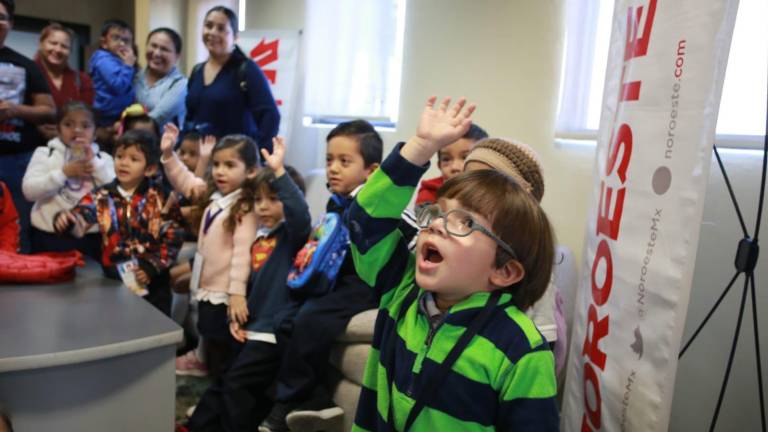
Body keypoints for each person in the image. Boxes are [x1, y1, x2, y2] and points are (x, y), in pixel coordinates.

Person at [347, 97, 559, 431]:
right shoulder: (401, 291)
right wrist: (420, 147)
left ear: (504, 270)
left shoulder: (521, 351)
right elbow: (365, 223)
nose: (435, 224)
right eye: (438, 212)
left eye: (464, 222)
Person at [258, 120, 422, 432]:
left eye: (344, 162)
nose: (333, 169)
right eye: (329, 160)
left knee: (312, 317)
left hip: (367, 283)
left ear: (372, 171)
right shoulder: (337, 200)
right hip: (340, 280)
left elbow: (414, 232)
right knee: (285, 317)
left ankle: (288, 400)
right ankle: (315, 393)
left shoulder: (378, 205)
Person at [187, 137, 312, 432]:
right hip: (248, 329)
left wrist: (279, 173)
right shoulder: (260, 238)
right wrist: (236, 316)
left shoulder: (292, 239)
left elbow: (300, 215)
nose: (264, 207)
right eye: (258, 200)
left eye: (273, 199)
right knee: (225, 383)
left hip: (269, 335)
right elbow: (248, 287)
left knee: (235, 386)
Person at [160, 123, 260, 378]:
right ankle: (213, 389)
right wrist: (169, 154)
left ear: (250, 171)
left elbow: (241, 255)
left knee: (221, 351)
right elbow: (185, 181)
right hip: (205, 287)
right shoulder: (215, 196)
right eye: (216, 165)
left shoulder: (244, 208)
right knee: (207, 338)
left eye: (229, 165)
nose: (220, 172)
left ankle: (219, 398)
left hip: (223, 294)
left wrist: (237, 294)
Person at [53, 129, 185, 315]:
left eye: (134, 159)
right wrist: (66, 221)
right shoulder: (102, 195)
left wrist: (151, 266)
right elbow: (80, 219)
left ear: (150, 169)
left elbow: (174, 235)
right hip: (113, 277)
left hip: (153, 279)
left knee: (154, 327)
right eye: (120, 156)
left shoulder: (161, 197)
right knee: (116, 326)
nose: (124, 163)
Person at [22, 101, 114, 260]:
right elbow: (29, 192)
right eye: (68, 124)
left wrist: (95, 165)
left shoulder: (104, 159)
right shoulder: (45, 153)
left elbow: (116, 193)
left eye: (85, 126)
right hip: (49, 236)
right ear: (58, 129)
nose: (77, 130)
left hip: (93, 237)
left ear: (95, 133)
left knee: (93, 283)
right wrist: (63, 173)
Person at [0, 0, 57, 253]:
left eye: (2, 17)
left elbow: (49, 110)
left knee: (18, 228)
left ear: (10, 24)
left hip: (16, 160)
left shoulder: (26, 65)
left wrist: (13, 110)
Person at [185, 6, 279, 155]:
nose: (213, 32)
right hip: (200, 159)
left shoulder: (247, 69)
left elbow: (270, 116)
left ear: (235, 36)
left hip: (234, 162)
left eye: (221, 29)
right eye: (208, 26)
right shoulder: (197, 71)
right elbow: (190, 116)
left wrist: (258, 157)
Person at [34, 22, 95, 142]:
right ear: (41, 44)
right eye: (53, 43)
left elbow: (88, 117)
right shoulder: (27, 72)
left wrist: (61, 132)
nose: (58, 49)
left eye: (64, 46)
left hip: (72, 145)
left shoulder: (82, 80)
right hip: (30, 147)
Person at [414, 123, 487, 207]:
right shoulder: (429, 192)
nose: (455, 167)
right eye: (446, 159)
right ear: (439, 165)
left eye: (465, 157)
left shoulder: (495, 193)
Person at [89, 19, 136, 148]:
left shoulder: (119, 60)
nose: (121, 43)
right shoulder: (103, 59)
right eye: (116, 38)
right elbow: (119, 85)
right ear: (104, 43)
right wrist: (128, 66)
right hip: (105, 117)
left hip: (118, 117)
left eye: (126, 41)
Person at [135, 27, 187, 128]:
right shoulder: (134, 76)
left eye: (164, 49)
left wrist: (122, 127)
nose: (156, 53)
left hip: (164, 143)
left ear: (177, 56)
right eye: (153, 46)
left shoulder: (180, 85)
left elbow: (156, 118)